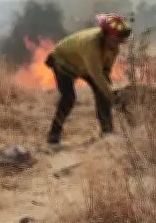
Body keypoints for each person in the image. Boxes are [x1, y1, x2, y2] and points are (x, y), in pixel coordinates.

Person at [44, 13, 132, 145]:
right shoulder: (91, 45)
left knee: (103, 92)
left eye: (119, 40)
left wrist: (110, 93)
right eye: (114, 39)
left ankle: (107, 131)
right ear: (105, 35)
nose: (116, 43)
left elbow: (105, 72)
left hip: (83, 65)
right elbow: (97, 74)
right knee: (68, 98)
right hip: (63, 61)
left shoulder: (114, 48)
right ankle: (53, 135)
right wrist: (114, 99)